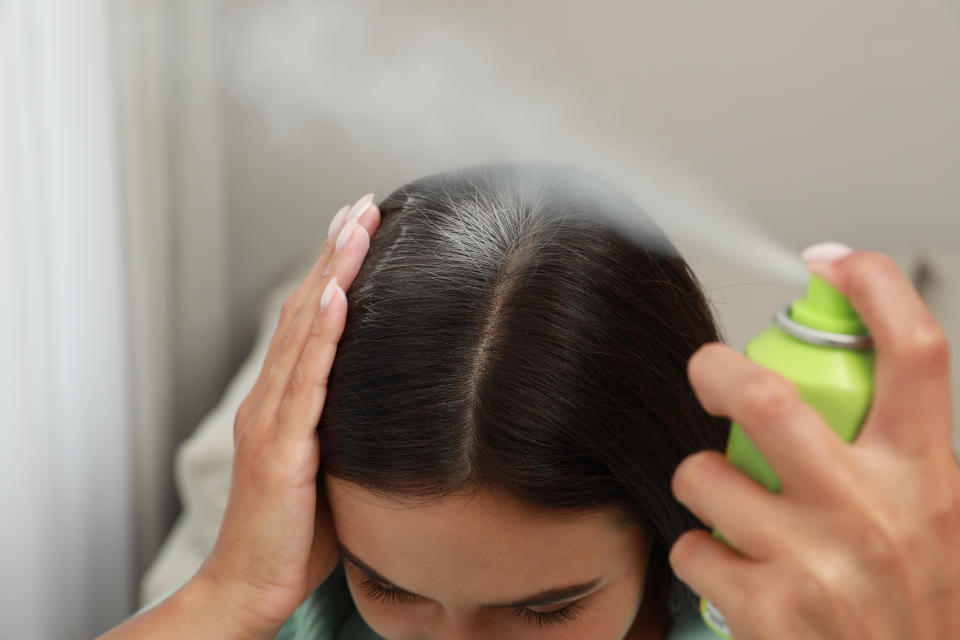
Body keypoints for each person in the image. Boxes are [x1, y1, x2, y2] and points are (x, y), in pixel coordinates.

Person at [100, 164, 960, 640]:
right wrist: (228, 594)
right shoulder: (295, 613)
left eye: (545, 610)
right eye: (391, 588)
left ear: (664, 535)